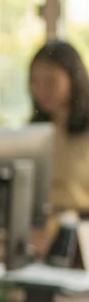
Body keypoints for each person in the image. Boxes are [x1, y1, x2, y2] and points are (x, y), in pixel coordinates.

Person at [29, 38, 89, 213]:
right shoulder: (34, 132)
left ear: (73, 79)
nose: (41, 90)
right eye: (35, 81)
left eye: (50, 81)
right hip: (43, 226)